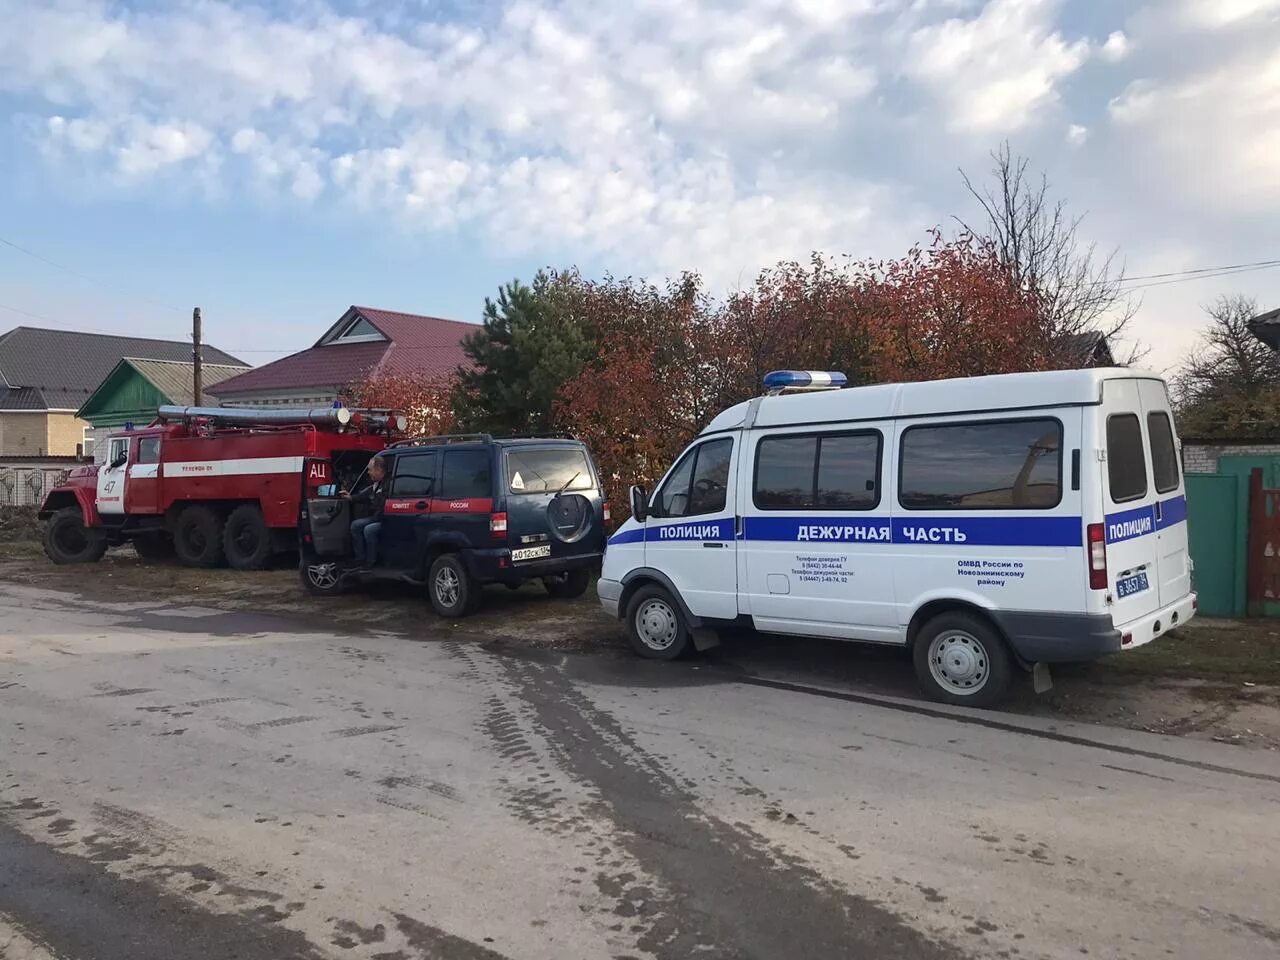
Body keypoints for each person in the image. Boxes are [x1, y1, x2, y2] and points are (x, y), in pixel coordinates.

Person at [347, 455, 387, 568]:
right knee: (356, 525)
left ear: (379, 470)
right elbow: (364, 495)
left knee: (369, 529)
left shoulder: (387, 484)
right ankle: (359, 559)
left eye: (370, 469)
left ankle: (371, 563)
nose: (368, 472)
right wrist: (351, 498)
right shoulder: (376, 485)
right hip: (377, 517)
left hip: (386, 519)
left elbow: (381, 506)